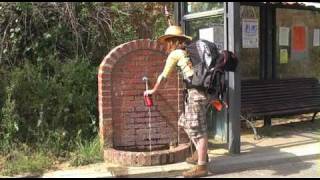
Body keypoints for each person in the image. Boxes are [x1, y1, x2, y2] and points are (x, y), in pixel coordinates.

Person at [144, 25, 210, 178]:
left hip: (196, 93)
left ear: (172, 41)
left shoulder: (175, 54)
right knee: (185, 122)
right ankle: (199, 155)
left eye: (167, 41)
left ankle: (202, 165)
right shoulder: (189, 52)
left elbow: (163, 76)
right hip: (201, 92)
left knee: (198, 130)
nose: (166, 44)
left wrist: (152, 90)